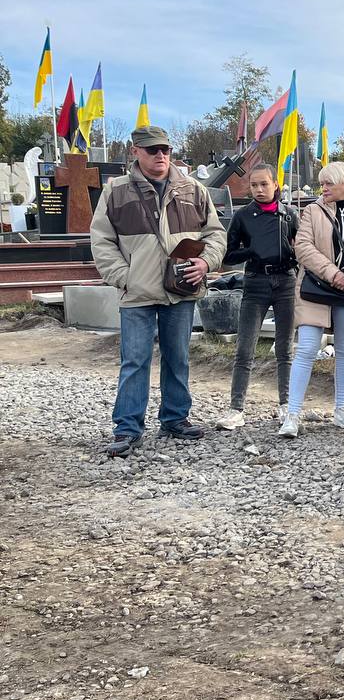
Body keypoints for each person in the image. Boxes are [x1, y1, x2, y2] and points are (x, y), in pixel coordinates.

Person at [90, 125, 228, 457]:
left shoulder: (193, 189)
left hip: (180, 289)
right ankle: (127, 429)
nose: (161, 155)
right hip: (136, 292)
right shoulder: (117, 191)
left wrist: (206, 263)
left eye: (165, 149)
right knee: (134, 361)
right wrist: (125, 277)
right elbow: (101, 240)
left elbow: (216, 233)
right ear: (135, 151)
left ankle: (175, 418)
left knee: (177, 357)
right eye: (152, 150)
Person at [279, 161, 344, 437]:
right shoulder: (312, 212)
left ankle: (341, 410)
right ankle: (291, 415)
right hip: (316, 288)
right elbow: (303, 247)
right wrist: (332, 273)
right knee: (305, 348)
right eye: (322, 183)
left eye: (329, 183)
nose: (323, 188)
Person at [216, 163, 299, 430]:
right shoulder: (242, 217)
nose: (259, 189)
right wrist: (252, 251)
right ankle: (236, 409)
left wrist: (292, 257)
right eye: (254, 185)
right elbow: (227, 255)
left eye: (264, 184)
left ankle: (286, 406)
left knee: (285, 349)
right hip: (255, 283)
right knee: (244, 348)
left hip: (286, 282)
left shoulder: (290, 214)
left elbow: (302, 247)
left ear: (276, 184)